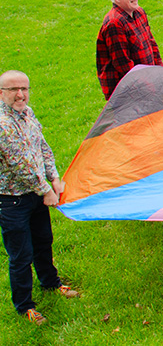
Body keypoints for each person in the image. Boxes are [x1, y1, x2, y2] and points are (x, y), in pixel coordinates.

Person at [0, 70, 79, 325]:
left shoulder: (28, 113)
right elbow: (18, 164)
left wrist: (54, 177)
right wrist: (45, 189)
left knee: (44, 241)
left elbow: (41, 145)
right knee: (21, 254)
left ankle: (50, 283)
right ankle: (25, 306)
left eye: (24, 88)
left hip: (36, 194)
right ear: (2, 93)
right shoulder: (2, 124)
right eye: (13, 90)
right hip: (12, 200)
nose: (20, 94)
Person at [96, 0, 163, 100]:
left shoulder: (139, 13)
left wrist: (161, 72)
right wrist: (147, 85)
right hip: (128, 90)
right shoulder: (115, 23)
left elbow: (151, 43)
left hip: (148, 80)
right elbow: (123, 64)